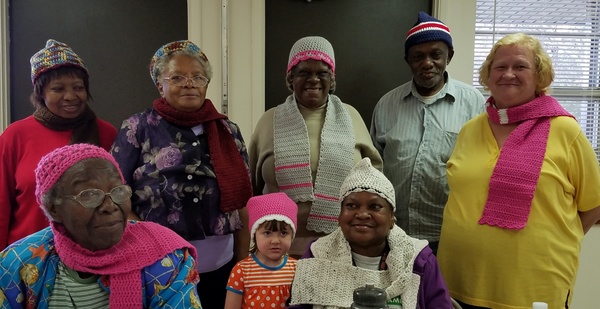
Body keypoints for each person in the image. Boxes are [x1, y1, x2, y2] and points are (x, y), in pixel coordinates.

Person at [437, 33, 600, 309]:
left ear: (540, 76)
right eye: (499, 67)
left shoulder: (565, 131)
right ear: (488, 76)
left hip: (532, 290)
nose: (508, 74)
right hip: (458, 282)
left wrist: (551, 241)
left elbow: (593, 205)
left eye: (520, 66)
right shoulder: (470, 129)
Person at [110, 40, 252, 309]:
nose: (189, 83)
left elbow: (243, 199)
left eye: (198, 77)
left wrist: (242, 265)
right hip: (158, 266)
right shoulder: (137, 128)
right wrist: (146, 239)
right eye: (177, 77)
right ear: (159, 85)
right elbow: (115, 194)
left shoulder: (228, 130)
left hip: (220, 268)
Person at [0, 143, 201, 308]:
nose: (109, 206)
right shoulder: (16, 263)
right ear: (54, 209)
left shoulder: (167, 259)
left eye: (117, 191)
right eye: (89, 195)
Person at [249, 36, 383, 258]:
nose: (313, 79)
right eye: (304, 72)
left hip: (341, 249)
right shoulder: (268, 121)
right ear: (291, 78)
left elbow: (374, 180)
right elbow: (252, 186)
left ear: (332, 78)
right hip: (278, 250)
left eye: (322, 72)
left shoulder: (351, 117)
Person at [369, 12, 485, 254]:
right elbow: (373, 170)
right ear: (407, 60)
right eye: (418, 56)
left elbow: (484, 167)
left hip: (451, 236)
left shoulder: (473, 103)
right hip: (394, 235)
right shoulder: (386, 105)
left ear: (449, 56)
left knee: (443, 294)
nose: (427, 63)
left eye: (436, 54)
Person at [0, 39, 117, 250]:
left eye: (78, 87)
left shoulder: (106, 133)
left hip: (91, 254)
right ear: (41, 93)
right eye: (58, 89)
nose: (70, 96)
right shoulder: (15, 136)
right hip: (26, 258)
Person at [288, 157, 452, 309]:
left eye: (375, 207)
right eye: (351, 206)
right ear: (339, 216)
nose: (362, 214)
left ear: (391, 218)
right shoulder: (317, 255)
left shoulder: (419, 260)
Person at [225, 192, 298, 309]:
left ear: (292, 235)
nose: (275, 241)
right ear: (254, 235)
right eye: (267, 233)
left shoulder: (297, 269)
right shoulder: (241, 270)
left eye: (283, 233)